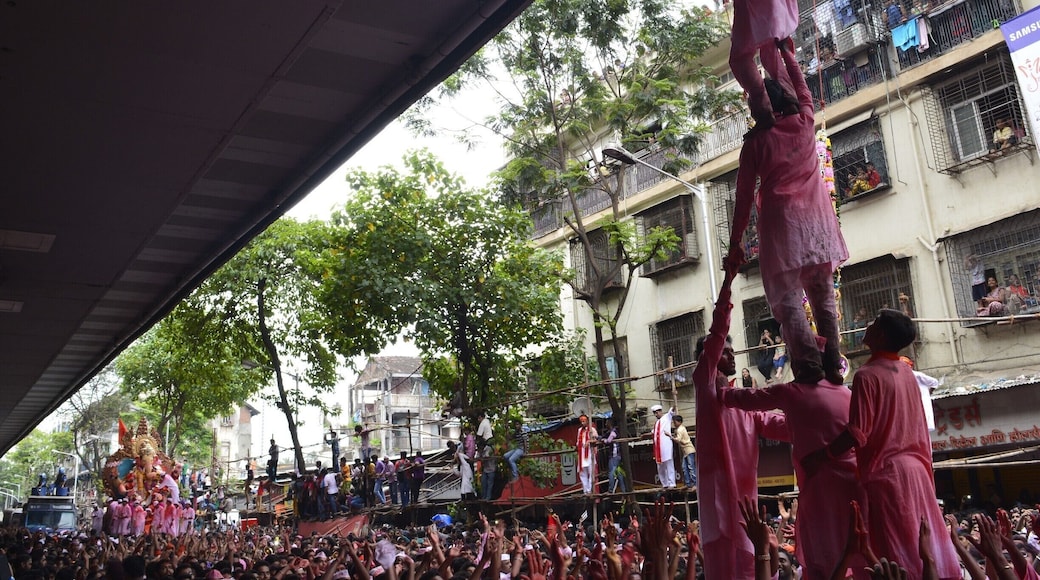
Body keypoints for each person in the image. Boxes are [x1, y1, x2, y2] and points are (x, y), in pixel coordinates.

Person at [802, 309, 960, 580]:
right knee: (920, 548)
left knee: (897, 554)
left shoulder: (867, 375)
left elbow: (857, 432)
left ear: (883, 335)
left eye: (875, 323)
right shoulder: (907, 372)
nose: (868, 325)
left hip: (888, 478)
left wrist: (821, 456)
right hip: (917, 475)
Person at [728, 37, 849, 386]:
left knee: (788, 301)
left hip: (781, 225)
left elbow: (743, 198)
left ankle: (809, 366)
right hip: (818, 222)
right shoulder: (805, 120)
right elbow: (802, 87)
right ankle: (832, 363)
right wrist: (785, 52)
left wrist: (736, 244)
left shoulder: (755, 143)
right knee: (823, 295)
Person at [720, 361, 864, 579]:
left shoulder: (794, 393)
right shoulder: (847, 395)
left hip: (821, 497)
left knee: (826, 563)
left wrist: (721, 392)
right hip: (852, 493)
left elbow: (745, 400)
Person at [694, 267, 789, 580]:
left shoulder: (742, 402)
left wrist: (816, 421)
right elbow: (716, 336)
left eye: (733, 351)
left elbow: (776, 423)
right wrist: (728, 280)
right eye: (726, 351)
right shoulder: (706, 388)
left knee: (752, 566)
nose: (732, 356)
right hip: (717, 502)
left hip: (744, 505)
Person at [649, 404, 677, 488]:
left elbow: (672, 410)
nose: (656, 414)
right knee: (660, 466)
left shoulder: (667, 417)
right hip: (658, 447)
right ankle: (664, 484)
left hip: (666, 445)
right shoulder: (656, 423)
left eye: (657, 412)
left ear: (660, 411)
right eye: (654, 413)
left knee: (669, 464)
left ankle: (672, 483)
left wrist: (674, 404)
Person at [668, 415, 696, 489]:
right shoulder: (680, 429)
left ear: (679, 422)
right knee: (684, 467)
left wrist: (670, 436)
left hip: (689, 450)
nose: (674, 424)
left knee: (691, 467)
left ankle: (695, 484)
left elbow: (678, 440)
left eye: (675, 422)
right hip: (685, 451)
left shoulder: (680, 429)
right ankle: (688, 484)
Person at [603, 418, 627, 493]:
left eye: (606, 423)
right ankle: (623, 490)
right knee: (619, 473)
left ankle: (610, 490)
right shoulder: (611, 432)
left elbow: (608, 441)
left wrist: (604, 440)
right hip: (617, 456)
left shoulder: (613, 432)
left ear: (610, 424)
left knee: (611, 472)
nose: (605, 424)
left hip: (614, 455)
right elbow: (603, 436)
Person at [576, 413, 598, 494]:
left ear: (587, 421)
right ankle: (585, 491)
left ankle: (589, 489)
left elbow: (596, 440)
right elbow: (577, 442)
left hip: (589, 453)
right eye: (581, 421)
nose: (582, 423)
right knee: (582, 473)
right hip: (581, 454)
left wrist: (589, 441)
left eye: (584, 421)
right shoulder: (579, 430)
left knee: (591, 472)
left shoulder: (592, 430)